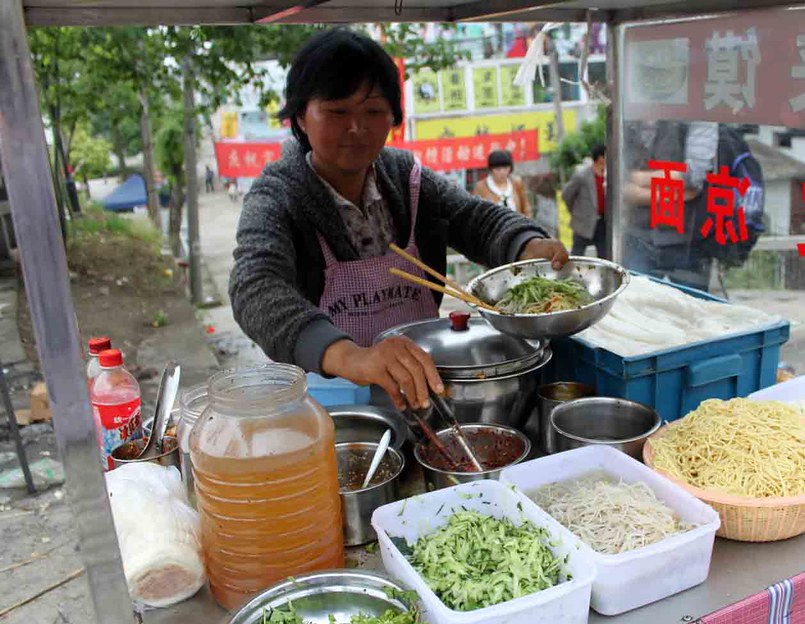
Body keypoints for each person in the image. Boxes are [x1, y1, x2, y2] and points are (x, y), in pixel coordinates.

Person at [229, 29, 567, 411]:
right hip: (328, 412)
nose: (356, 128)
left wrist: (526, 243)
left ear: (393, 117)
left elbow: (473, 218)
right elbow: (254, 286)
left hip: (423, 396)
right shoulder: (278, 194)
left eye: (373, 111)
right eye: (338, 111)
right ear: (301, 117)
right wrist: (352, 357)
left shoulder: (407, 178)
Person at [621, 120, 718, 290]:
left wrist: (637, 180)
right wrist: (679, 191)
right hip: (637, 238)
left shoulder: (697, 114)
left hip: (688, 242)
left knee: (691, 309)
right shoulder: (627, 116)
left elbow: (694, 176)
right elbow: (616, 185)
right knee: (636, 305)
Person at [562, 143, 607, 258]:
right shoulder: (582, 174)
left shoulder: (608, 174)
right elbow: (567, 194)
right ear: (600, 158)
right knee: (577, 254)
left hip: (602, 222)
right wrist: (575, 212)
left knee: (604, 254)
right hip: (583, 222)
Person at [473, 150, 532, 218]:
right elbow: (477, 213)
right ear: (491, 169)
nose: (502, 172)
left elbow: (526, 208)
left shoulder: (516, 183)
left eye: (506, 168)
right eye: (498, 169)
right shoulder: (480, 187)